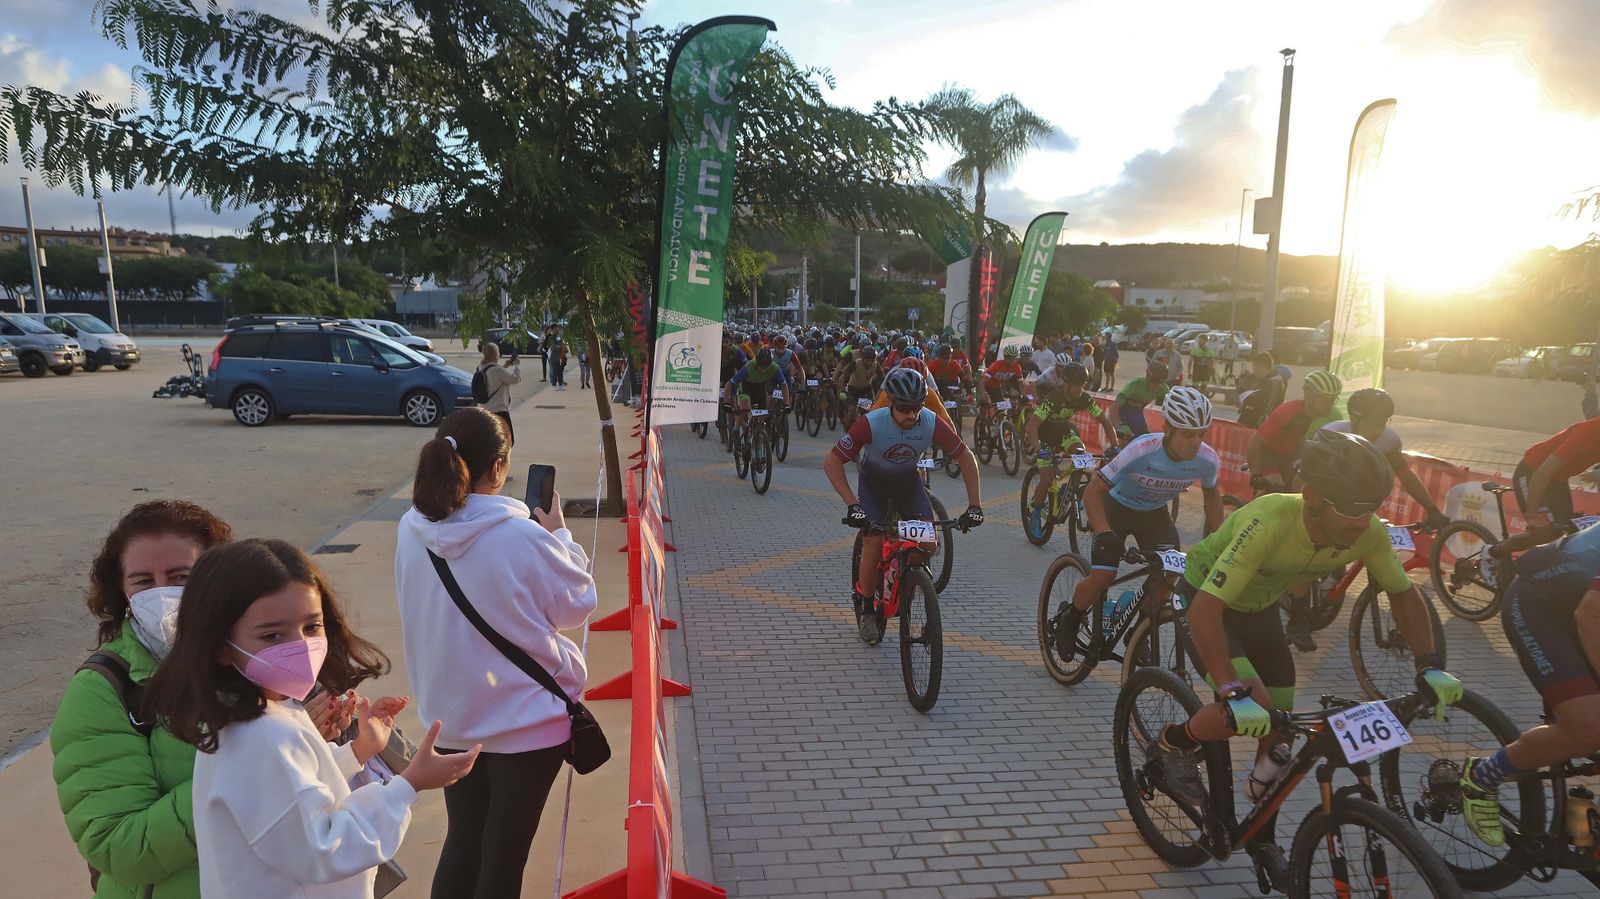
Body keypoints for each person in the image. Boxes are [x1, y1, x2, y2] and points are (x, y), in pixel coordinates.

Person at [1155, 431, 1463, 885]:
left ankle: (1262, 838)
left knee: (1280, 730)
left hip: (1258, 611)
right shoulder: (1268, 522)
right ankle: (1174, 745)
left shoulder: (1367, 532)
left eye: (1372, 507)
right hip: (1204, 600)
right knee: (1248, 708)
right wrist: (1230, 690)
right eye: (1353, 508)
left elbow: (1402, 593)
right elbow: (1206, 613)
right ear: (1313, 497)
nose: (1365, 521)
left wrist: (1429, 663)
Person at [144, 538, 479, 899]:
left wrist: (359, 751)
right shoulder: (264, 734)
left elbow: (291, 790)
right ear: (222, 647)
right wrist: (407, 786)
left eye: (311, 627)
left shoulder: (254, 714)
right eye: (272, 635)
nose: (301, 646)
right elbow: (324, 849)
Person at [397, 407, 598, 898]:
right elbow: (576, 604)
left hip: (453, 723)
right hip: (527, 728)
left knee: (463, 844)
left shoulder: (411, 527)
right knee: (503, 859)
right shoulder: (519, 535)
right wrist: (560, 537)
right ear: (498, 468)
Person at [50, 500, 234, 899]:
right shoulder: (102, 689)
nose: (163, 593)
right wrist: (241, 766)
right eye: (143, 581)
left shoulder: (261, 658)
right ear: (122, 590)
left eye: (180, 576)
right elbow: (119, 846)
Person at [1051, 388, 1224, 661]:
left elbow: (1213, 498)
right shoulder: (1141, 450)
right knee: (1104, 576)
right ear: (1167, 428)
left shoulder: (1207, 460)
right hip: (1116, 508)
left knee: (1169, 574)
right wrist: (1104, 532)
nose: (1195, 443)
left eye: (1201, 434)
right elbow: (1092, 492)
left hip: (1154, 515)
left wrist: (1218, 543)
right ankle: (1070, 619)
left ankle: (1138, 633)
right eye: (1188, 434)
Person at [1456, 519, 1600, 847]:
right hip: (1541, 605)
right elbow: (1590, 614)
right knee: (1590, 727)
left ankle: (1581, 822)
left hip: (1582, 602)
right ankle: (1481, 777)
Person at [824, 367, 985, 643]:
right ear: (891, 404)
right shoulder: (872, 422)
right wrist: (852, 504)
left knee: (929, 545)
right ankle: (868, 607)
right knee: (873, 543)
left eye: (917, 408)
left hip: (907, 484)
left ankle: (909, 583)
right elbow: (832, 461)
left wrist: (975, 505)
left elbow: (966, 458)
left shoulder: (930, 421)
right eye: (904, 408)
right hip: (873, 484)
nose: (911, 414)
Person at [1320, 388, 1449, 530]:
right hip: (1326, 501)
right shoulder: (1331, 434)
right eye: (1372, 423)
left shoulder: (1389, 440)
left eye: (1382, 424)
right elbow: (1304, 477)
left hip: (1363, 505)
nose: (1377, 431)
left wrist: (1432, 509)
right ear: (1354, 418)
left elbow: (1406, 476)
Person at [1023, 361, 1120, 535]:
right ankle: (1036, 512)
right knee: (1046, 478)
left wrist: (1116, 447)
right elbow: (1032, 426)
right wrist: (1038, 449)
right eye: (1077, 385)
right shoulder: (1054, 398)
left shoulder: (1083, 398)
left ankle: (1069, 489)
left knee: (1081, 456)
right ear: (1066, 384)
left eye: (1083, 385)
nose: (1080, 389)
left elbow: (1105, 421)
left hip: (1063, 431)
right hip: (1044, 434)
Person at [477, 343, 523, 443]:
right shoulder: (497, 370)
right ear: (495, 354)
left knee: (490, 442)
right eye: (498, 352)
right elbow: (516, 379)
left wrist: (504, 367)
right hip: (499, 411)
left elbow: (492, 377)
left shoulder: (480, 367)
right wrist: (517, 366)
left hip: (483, 410)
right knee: (508, 441)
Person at [1114, 360, 1170, 437]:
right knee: (1125, 438)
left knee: (1145, 439)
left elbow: (1171, 410)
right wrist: (1117, 427)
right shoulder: (1134, 385)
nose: (1157, 387)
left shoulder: (1164, 389)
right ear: (1148, 377)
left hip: (1138, 416)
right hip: (1122, 416)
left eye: (1160, 384)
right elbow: (1114, 407)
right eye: (1155, 383)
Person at [1236, 351, 1286, 428]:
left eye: (1254, 366)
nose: (1253, 369)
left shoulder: (1274, 382)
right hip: (1248, 423)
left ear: (1262, 366)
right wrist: (1241, 389)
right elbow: (1252, 398)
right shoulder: (1262, 380)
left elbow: (1269, 408)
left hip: (1258, 427)